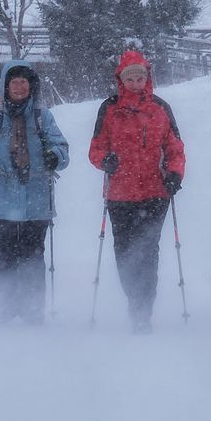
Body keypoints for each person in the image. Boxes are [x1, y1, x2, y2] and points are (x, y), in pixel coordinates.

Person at [89, 50, 185, 334]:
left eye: (140, 77)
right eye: (129, 77)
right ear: (121, 78)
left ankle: (144, 307)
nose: (135, 82)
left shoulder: (160, 108)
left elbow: (174, 147)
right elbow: (96, 147)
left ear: (147, 78)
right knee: (124, 250)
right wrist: (104, 160)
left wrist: (175, 174)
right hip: (120, 193)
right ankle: (134, 298)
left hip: (156, 192)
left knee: (148, 250)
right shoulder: (109, 109)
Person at [0, 59, 69, 324]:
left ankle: (33, 311)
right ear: (6, 86)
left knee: (34, 257)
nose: (20, 87)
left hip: (36, 200)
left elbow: (61, 146)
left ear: (31, 85)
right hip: (2, 200)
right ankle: (4, 310)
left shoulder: (42, 116)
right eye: (15, 82)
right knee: (4, 257)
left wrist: (54, 156)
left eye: (24, 82)